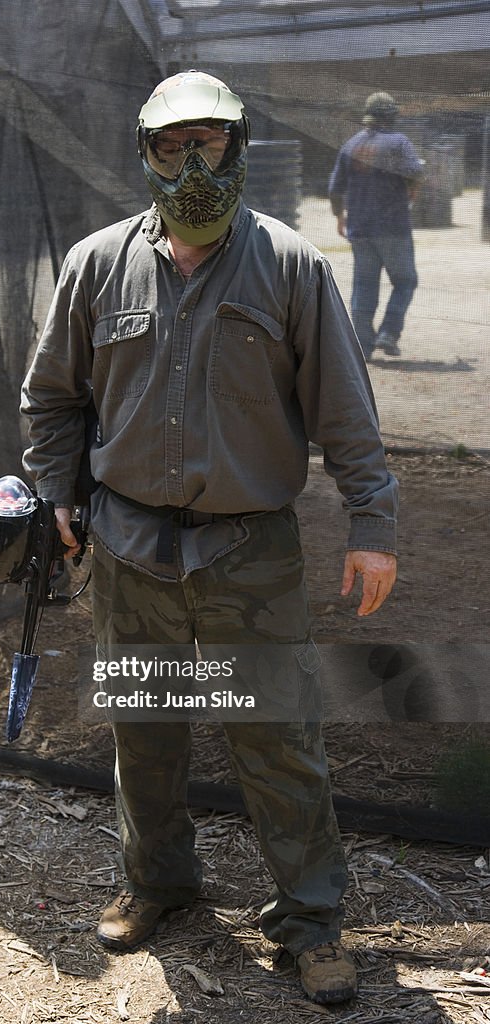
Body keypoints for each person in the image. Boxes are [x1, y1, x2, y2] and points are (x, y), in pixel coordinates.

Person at [20, 70, 398, 1006]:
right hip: (127, 548)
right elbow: (54, 397)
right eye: (174, 143)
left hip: (248, 552)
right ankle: (159, 886)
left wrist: (373, 522)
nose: (196, 161)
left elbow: (345, 409)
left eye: (213, 141)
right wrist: (53, 492)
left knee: (277, 740)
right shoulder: (97, 263)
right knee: (144, 733)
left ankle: (311, 922)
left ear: (238, 146)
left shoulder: (291, 264)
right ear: (145, 152)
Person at [328, 91, 424, 359]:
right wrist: (413, 190)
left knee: (364, 285)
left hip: (359, 228)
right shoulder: (398, 142)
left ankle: (362, 344)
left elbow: (335, 188)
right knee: (405, 281)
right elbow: (416, 172)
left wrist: (339, 217)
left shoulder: (350, 145)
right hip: (393, 228)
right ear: (391, 115)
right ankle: (389, 333)